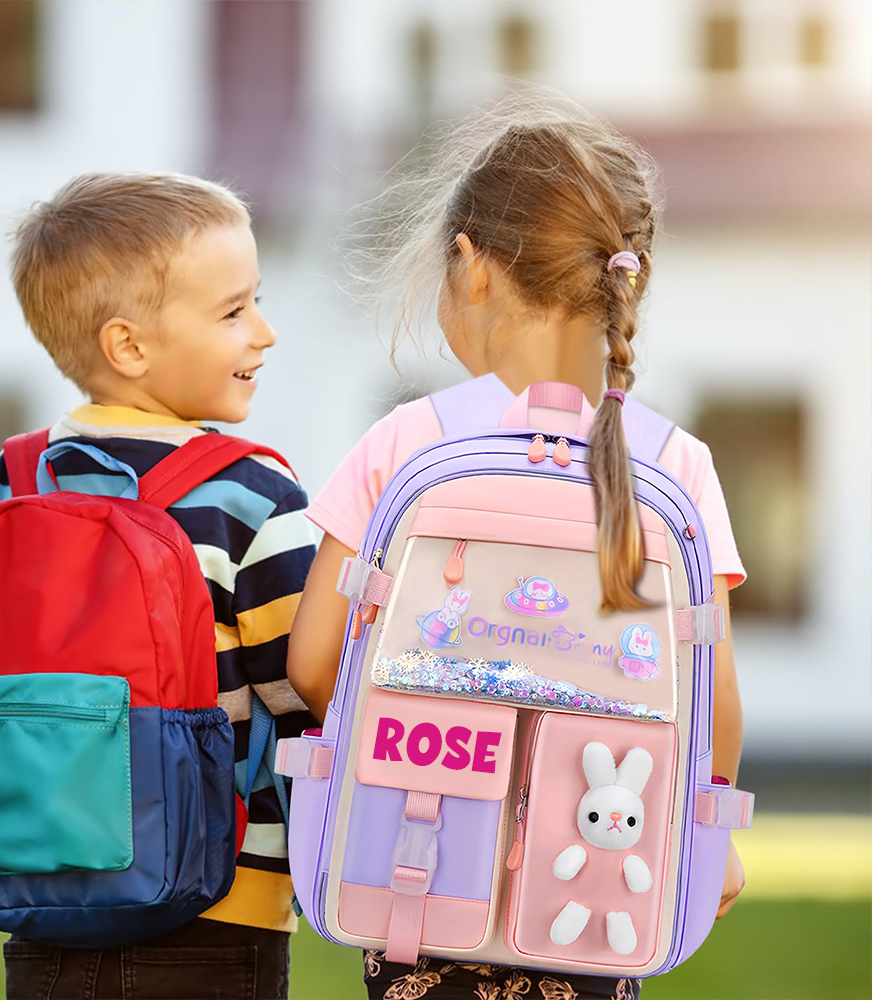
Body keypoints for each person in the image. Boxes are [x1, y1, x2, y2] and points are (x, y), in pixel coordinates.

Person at [287, 95, 747, 1000]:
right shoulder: (677, 463)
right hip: (598, 883)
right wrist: (710, 830)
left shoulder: (405, 442)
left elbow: (314, 665)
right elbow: (712, 700)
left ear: (472, 266)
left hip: (418, 864)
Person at [0, 172, 316, 999]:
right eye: (233, 312)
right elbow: (307, 684)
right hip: (220, 900)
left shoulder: (14, 480)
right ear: (128, 346)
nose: (265, 333)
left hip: (40, 881)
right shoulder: (251, 497)